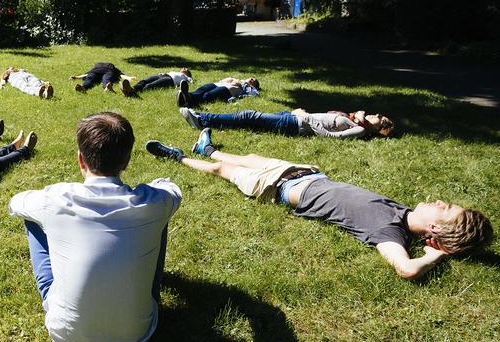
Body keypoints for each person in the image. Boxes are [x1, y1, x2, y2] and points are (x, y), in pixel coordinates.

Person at [145, 130, 492, 280]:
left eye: (445, 209)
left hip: (276, 188)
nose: (441, 201)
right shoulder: (401, 212)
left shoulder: (390, 232)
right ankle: (206, 147)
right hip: (304, 173)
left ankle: (178, 158)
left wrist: (435, 255)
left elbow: (405, 268)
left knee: (225, 171)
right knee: (247, 156)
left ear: (435, 231)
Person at [9, 112, 182, 342]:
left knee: (31, 217)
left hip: (69, 337)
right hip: (138, 333)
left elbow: (16, 202)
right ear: (127, 161)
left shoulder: (55, 200)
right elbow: (172, 189)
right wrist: (154, 185)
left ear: (81, 160)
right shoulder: (153, 203)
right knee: (160, 220)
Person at [180, 107, 394, 138]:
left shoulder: (358, 130)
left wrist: (306, 116)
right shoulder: (356, 120)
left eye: (380, 119)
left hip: (297, 124)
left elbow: (330, 137)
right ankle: (205, 120)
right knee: (250, 122)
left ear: (379, 128)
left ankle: (202, 119)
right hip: (296, 118)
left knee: (249, 116)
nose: (377, 115)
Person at [176, 76, 260, 107]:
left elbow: (255, 94)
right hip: (217, 84)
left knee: (208, 95)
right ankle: (187, 95)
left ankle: (188, 100)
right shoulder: (237, 79)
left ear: (254, 85)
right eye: (252, 78)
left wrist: (244, 84)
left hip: (227, 89)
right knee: (201, 90)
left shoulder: (249, 87)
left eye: (254, 81)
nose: (252, 79)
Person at [70, 63, 135, 95]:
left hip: (96, 71)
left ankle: (83, 87)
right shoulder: (112, 67)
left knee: (90, 78)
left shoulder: (96, 66)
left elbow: (87, 75)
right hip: (108, 70)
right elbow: (121, 75)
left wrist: (76, 77)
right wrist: (129, 78)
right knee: (106, 79)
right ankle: (107, 87)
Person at [129, 68, 193, 94]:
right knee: (145, 80)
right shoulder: (176, 72)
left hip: (170, 80)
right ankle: (132, 88)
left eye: (186, 69)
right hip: (163, 75)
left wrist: (191, 82)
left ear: (187, 74)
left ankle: (135, 93)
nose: (184, 68)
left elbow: (190, 80)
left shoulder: (185, 77)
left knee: (150, 85)